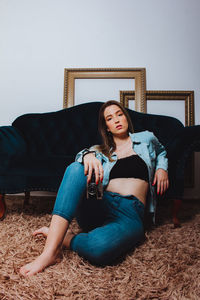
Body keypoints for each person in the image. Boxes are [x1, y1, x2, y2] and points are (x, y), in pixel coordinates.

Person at [20, 100, 169, 276]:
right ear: (106, 127)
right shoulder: (99, 150)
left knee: (98, 248)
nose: (117, 120)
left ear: (126, 118)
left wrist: (161, 168)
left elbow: (161, 151)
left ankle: (62, 236)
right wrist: (87, 155)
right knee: (76, 168)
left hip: (130, 212)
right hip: (99, 202)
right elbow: (81, 164)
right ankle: (50, 252)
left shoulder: (145, 138)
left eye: (119, 114)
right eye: (110, 118)